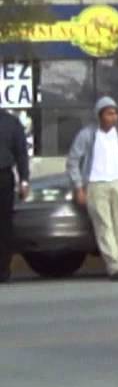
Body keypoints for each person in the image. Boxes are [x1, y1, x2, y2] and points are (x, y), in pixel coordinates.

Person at [65, 96, 118, 281]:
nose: (113, 117)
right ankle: (115, 267)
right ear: (99, 116)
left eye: (115, 113)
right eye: (109, 113)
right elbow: (73, 161)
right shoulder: (87, 135)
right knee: (104, 226)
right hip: (96, 185)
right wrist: (78, 187)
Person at [0, 107, 30, 282]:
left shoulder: (11, 122)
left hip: (3, 176)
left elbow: (21, 153)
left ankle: (3, 270)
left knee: (4, 225)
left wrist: (24, 180)